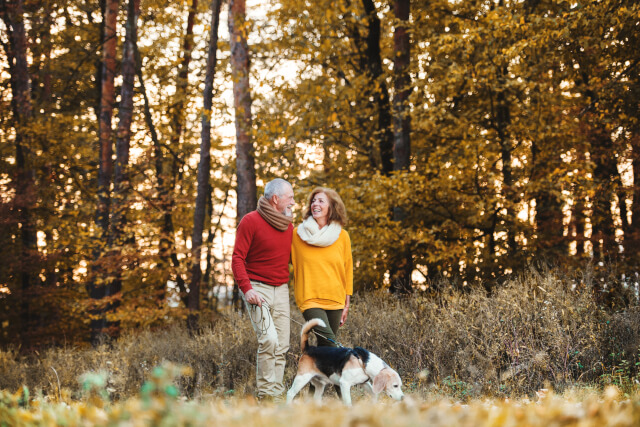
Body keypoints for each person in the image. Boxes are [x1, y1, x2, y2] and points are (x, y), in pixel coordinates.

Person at [231, 178, 295, 401]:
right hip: (257, 288)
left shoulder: (288, 226)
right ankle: (267, 396)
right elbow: (237, 258)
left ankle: (275, 394)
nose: (293, 203)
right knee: (268, 339)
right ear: (276, 199)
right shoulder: (250, 221)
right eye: (290, 198)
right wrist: (247, 289)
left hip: (282, 289)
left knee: (282, 344)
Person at [291, 187, 353, 347]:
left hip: (335, 300)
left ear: (332, 206)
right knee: (330, 343)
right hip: (309, 299)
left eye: (320, 201)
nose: (315, 204)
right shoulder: (297, 235)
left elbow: (347, 271)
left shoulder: (342, 236)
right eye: (313, 201)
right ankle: (346, 369)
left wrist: (346, 304)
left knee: (325, 348)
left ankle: (317, 372)